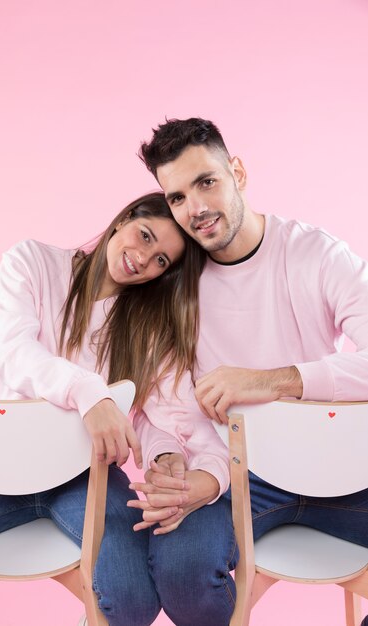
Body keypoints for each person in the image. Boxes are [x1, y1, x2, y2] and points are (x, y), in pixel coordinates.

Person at [127, 118, 368, 626]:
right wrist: (167, 454)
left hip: (342, 470)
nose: (195, 209)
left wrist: (268, 381)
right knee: (180, 567)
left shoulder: (314, 253)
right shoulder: (173, 282)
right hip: (239, 476)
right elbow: (152, 402)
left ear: (237, 171)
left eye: (206, 182)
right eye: (176, 197)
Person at [0, 191, 206, 626]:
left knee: (132, 602)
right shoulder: (32, 262)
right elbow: (12, 352)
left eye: (162, 260)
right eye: (144, 236)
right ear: (124, 218)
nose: (143, 259)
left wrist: (166, 454)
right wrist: (90, 393)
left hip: (80, 480)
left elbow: (147, 416)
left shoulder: (144, 325)